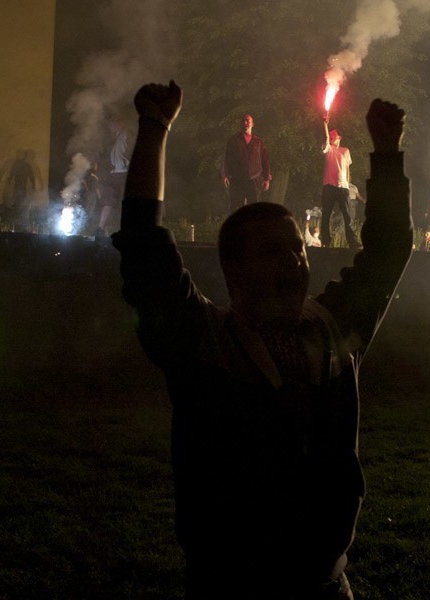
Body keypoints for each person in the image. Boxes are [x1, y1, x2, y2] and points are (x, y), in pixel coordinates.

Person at [112, 79, 412, 599]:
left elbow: (387, 251)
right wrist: (154, 130)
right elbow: (144, 248)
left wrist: (387, 155)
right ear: (232, 269)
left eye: (296, 249)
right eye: (272, 252)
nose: (294, 261)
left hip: (325, 583)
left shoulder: (332, 331)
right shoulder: (203, 344)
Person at [320, 120, 359, 249]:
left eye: (333, 135)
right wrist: (325, 124)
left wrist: (347, 184)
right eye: (330, 135)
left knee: (348, 217)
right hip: (329, 187)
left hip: (343, 188)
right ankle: (325, 241)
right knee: (326, 215)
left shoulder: (345, 151)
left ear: (339, 137)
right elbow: (326, 139)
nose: (331, 137)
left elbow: (347, 169)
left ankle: (352, 242)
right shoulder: (328, 148)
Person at [222, 113, 272, 210]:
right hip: (237, 180)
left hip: (254, 180)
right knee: (236, 209)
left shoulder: (259, 142)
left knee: (254, 209)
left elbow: (265, 160)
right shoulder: (233, 140)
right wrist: (225, 175)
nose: (245, 123)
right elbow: (226, 159)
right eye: (243, 121)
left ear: (252, 124)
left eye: (248, 121)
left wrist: (266, 179)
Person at [96, 115, 130, 236]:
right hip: (114, 174)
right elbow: (107, 159)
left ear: (120, 123)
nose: (111, 127)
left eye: (113, 124)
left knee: (125, 203)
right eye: (110, 124)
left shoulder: (127, 136)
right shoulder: (114, 139)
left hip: (125, 174)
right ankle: (100, 228)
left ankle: (125, 229)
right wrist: (101, 180)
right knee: (108, 200)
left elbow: (131, 153)